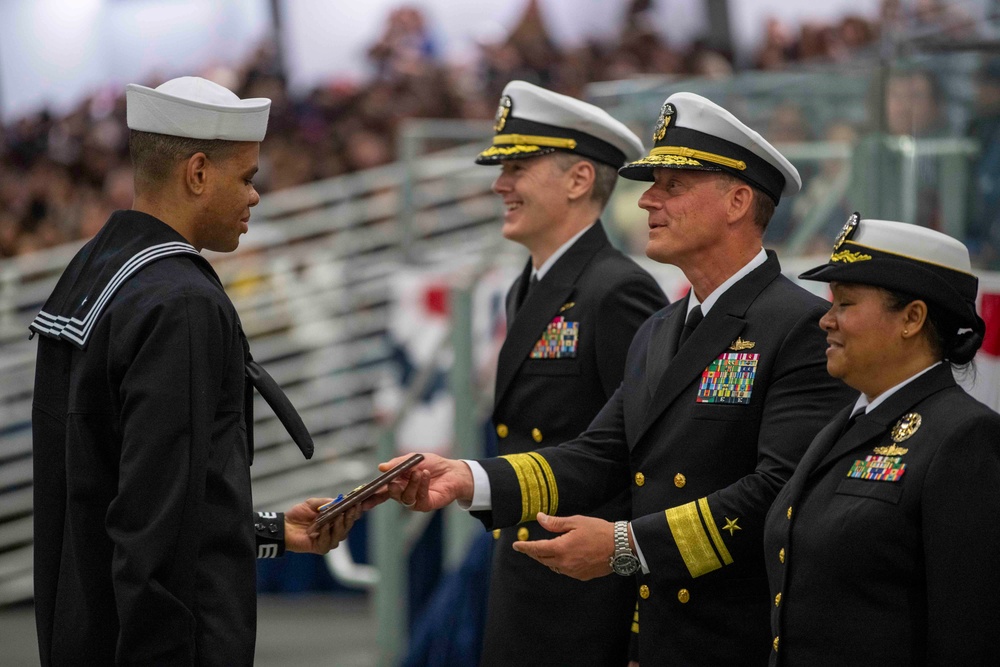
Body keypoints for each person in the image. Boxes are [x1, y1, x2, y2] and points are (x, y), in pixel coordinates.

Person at [384, 92, 854, 665]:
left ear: (736, 201)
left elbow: (778, 493)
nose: (648, 200)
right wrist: (468, 479)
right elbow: (601, 454)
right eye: (650, 183)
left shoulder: (800, 326)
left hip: (735, 634)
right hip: (655, 627)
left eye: (672, 185)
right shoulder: (659, 328)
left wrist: (627, 547)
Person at [29, 76, 365, 666]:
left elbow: (121, 487)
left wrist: (267, 529)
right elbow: (151, 529)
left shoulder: (96, 267)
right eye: (247, 178)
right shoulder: (180, 300)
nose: (256, 197)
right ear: (198, 173)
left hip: (82, 632)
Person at [473, 80, 667, 666]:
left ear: (580, 180)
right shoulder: (526, 288)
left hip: (588, 599)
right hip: (530, 579)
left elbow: (645, 458)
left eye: (519, 167)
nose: (500, 183)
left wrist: (638, 627)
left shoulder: (617, 290)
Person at [763, 215, 1000, 665]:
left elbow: (970, 633)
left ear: (912, 317)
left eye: (845, 304)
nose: (825, 320)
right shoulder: (846, 423)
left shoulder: (964, 437)